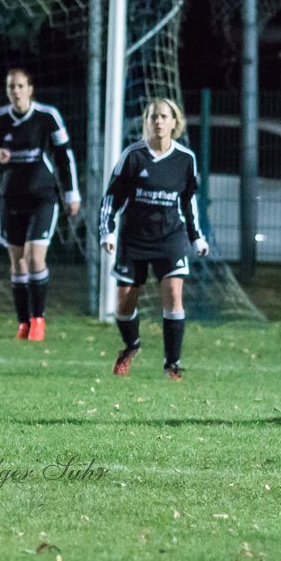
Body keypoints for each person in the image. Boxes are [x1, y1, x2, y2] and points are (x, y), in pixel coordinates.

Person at [99, 97, 209, 380]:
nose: (158, 122)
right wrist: (107, 231)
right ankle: (131, 345)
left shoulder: (185, 159)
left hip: (170, 237)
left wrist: (196, 237)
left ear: (175, 122)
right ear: (146, 123)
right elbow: (112, 198)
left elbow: (188, 202)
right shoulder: (133, 156)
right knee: (124, 303)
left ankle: (172, 364)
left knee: (173, 295)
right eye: (152, 117)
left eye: (163, 116)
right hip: (134, 238)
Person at [0, 67, 80, 341]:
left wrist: (71, 192)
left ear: (30, 89)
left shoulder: (47, 116)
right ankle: (23, 322)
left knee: (34, 257)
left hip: (43, 195)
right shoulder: (0, 118)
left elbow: (64, 155)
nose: (15, 91)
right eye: (10, 87)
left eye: (19, 86)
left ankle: (38, 320)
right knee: (17, 262)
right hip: (12, 196)